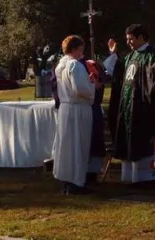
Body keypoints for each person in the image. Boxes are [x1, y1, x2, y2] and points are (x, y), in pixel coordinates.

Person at [104, 24, 155, 187]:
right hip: (127, 107)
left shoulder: (151, 55)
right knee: (128, 141)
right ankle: (130, 177)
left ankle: (146, 179)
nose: (128, 42)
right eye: (127, 39)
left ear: (141, 37)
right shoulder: (129, 57)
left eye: (131, 39)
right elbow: (115, 72)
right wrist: (113, 55)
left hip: (143, 109)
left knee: (142, 141)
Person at [52, 35, 100, 195]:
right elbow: (80, 89)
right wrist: (93, 85)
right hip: (77, 109)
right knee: (78, 145)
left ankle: (66, 179)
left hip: (66, 108)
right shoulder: (75, 65)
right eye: (80, 49)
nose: (82, 52)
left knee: (67, 146)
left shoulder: (61, 64)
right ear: (74, 49)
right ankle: (76, 182)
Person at [81, 59, 107, 186]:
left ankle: (92, 172)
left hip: (93, 110)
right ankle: (86, 172)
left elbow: (99, 86)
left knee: (94, 141)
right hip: (86, 110)